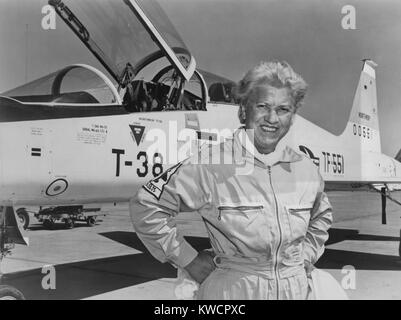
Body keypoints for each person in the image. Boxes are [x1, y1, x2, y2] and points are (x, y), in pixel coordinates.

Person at [130, 60, 333, 300]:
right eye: (262, 106)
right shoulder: (210, 163)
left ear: (292, 116)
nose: (272, 118)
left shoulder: (306, 169)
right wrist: (189, 260)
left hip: (295, 290)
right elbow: (146, 206)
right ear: (244, 110)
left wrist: (305, 257)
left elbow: (321, 216)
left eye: (283, 109)